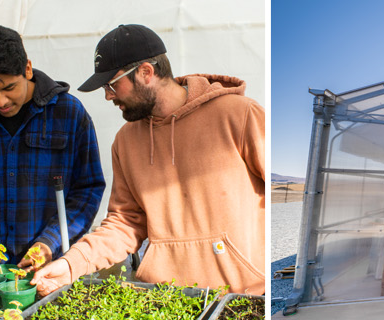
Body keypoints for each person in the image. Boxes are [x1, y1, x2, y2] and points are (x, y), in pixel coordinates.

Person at [31, 24, 266, 295]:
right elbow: (125, 223)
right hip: (161, 297)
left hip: (242, 297)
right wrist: (71, 264)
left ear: (145, 72)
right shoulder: (125, 141)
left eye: (111, 84)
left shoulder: (239, 115)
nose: (107, 95)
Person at [0, 24, 106, 274]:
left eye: (8, 88)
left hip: (52, 270)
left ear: (27, 68)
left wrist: (51, 241)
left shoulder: (69, 114)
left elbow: (88, 190)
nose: (0, 102)